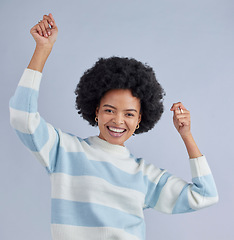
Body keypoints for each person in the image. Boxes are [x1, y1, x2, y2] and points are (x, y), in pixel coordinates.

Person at [9, 13, 218, 240]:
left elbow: (205, 196)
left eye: (129, 114)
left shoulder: (144, 176)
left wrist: (186, 135)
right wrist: (42, 49)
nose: (118, 121)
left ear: (139, 119)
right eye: (109, 110)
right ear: (96, 110)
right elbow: (22, 116)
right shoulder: (64, 151)